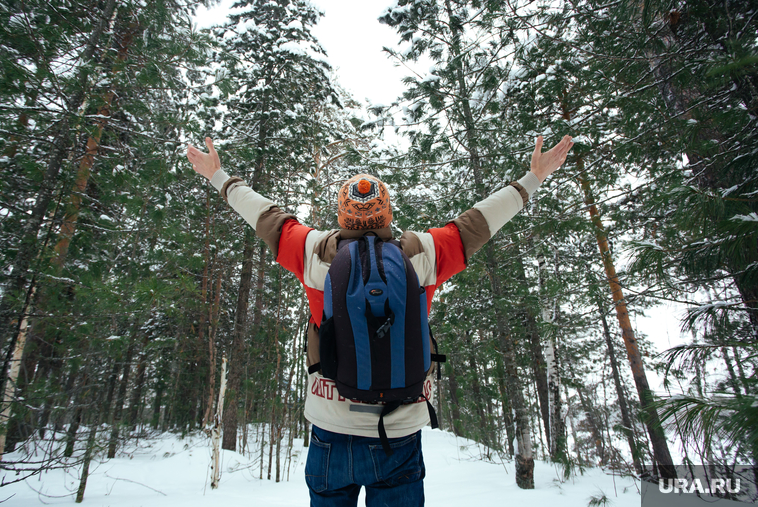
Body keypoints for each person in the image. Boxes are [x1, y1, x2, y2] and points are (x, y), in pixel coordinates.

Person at [186, 134, 573, 507]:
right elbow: (476, 223)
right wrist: (532, 179)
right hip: (400, 433)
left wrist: (219, 176)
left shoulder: (312, 252)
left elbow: (266, 216)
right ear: (388, 213)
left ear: (342, 215)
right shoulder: (423, 253)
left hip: (331, 429)